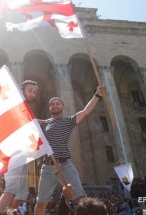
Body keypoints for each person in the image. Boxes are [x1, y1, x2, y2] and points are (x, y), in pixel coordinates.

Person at [34, 85, 106, 215]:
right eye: (52, 104)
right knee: (41, 203)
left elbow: (85, 111)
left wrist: (97, 95)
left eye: (57, 103)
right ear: (50, 109)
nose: (55, 105)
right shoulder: (44, 124)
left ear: (62, 108)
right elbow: (28, 120)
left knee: (80, 198)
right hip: (47, 167)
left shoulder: (68, 121)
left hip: (65, 164)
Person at [0, 80, 39, 215]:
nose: (32, 94)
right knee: (11, 190)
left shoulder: (25, 107)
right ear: (22, 91)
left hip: (23, 153)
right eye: (29, 90)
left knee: (21, 195)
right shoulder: (16, 104)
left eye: (34, 92)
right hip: (13, 152)